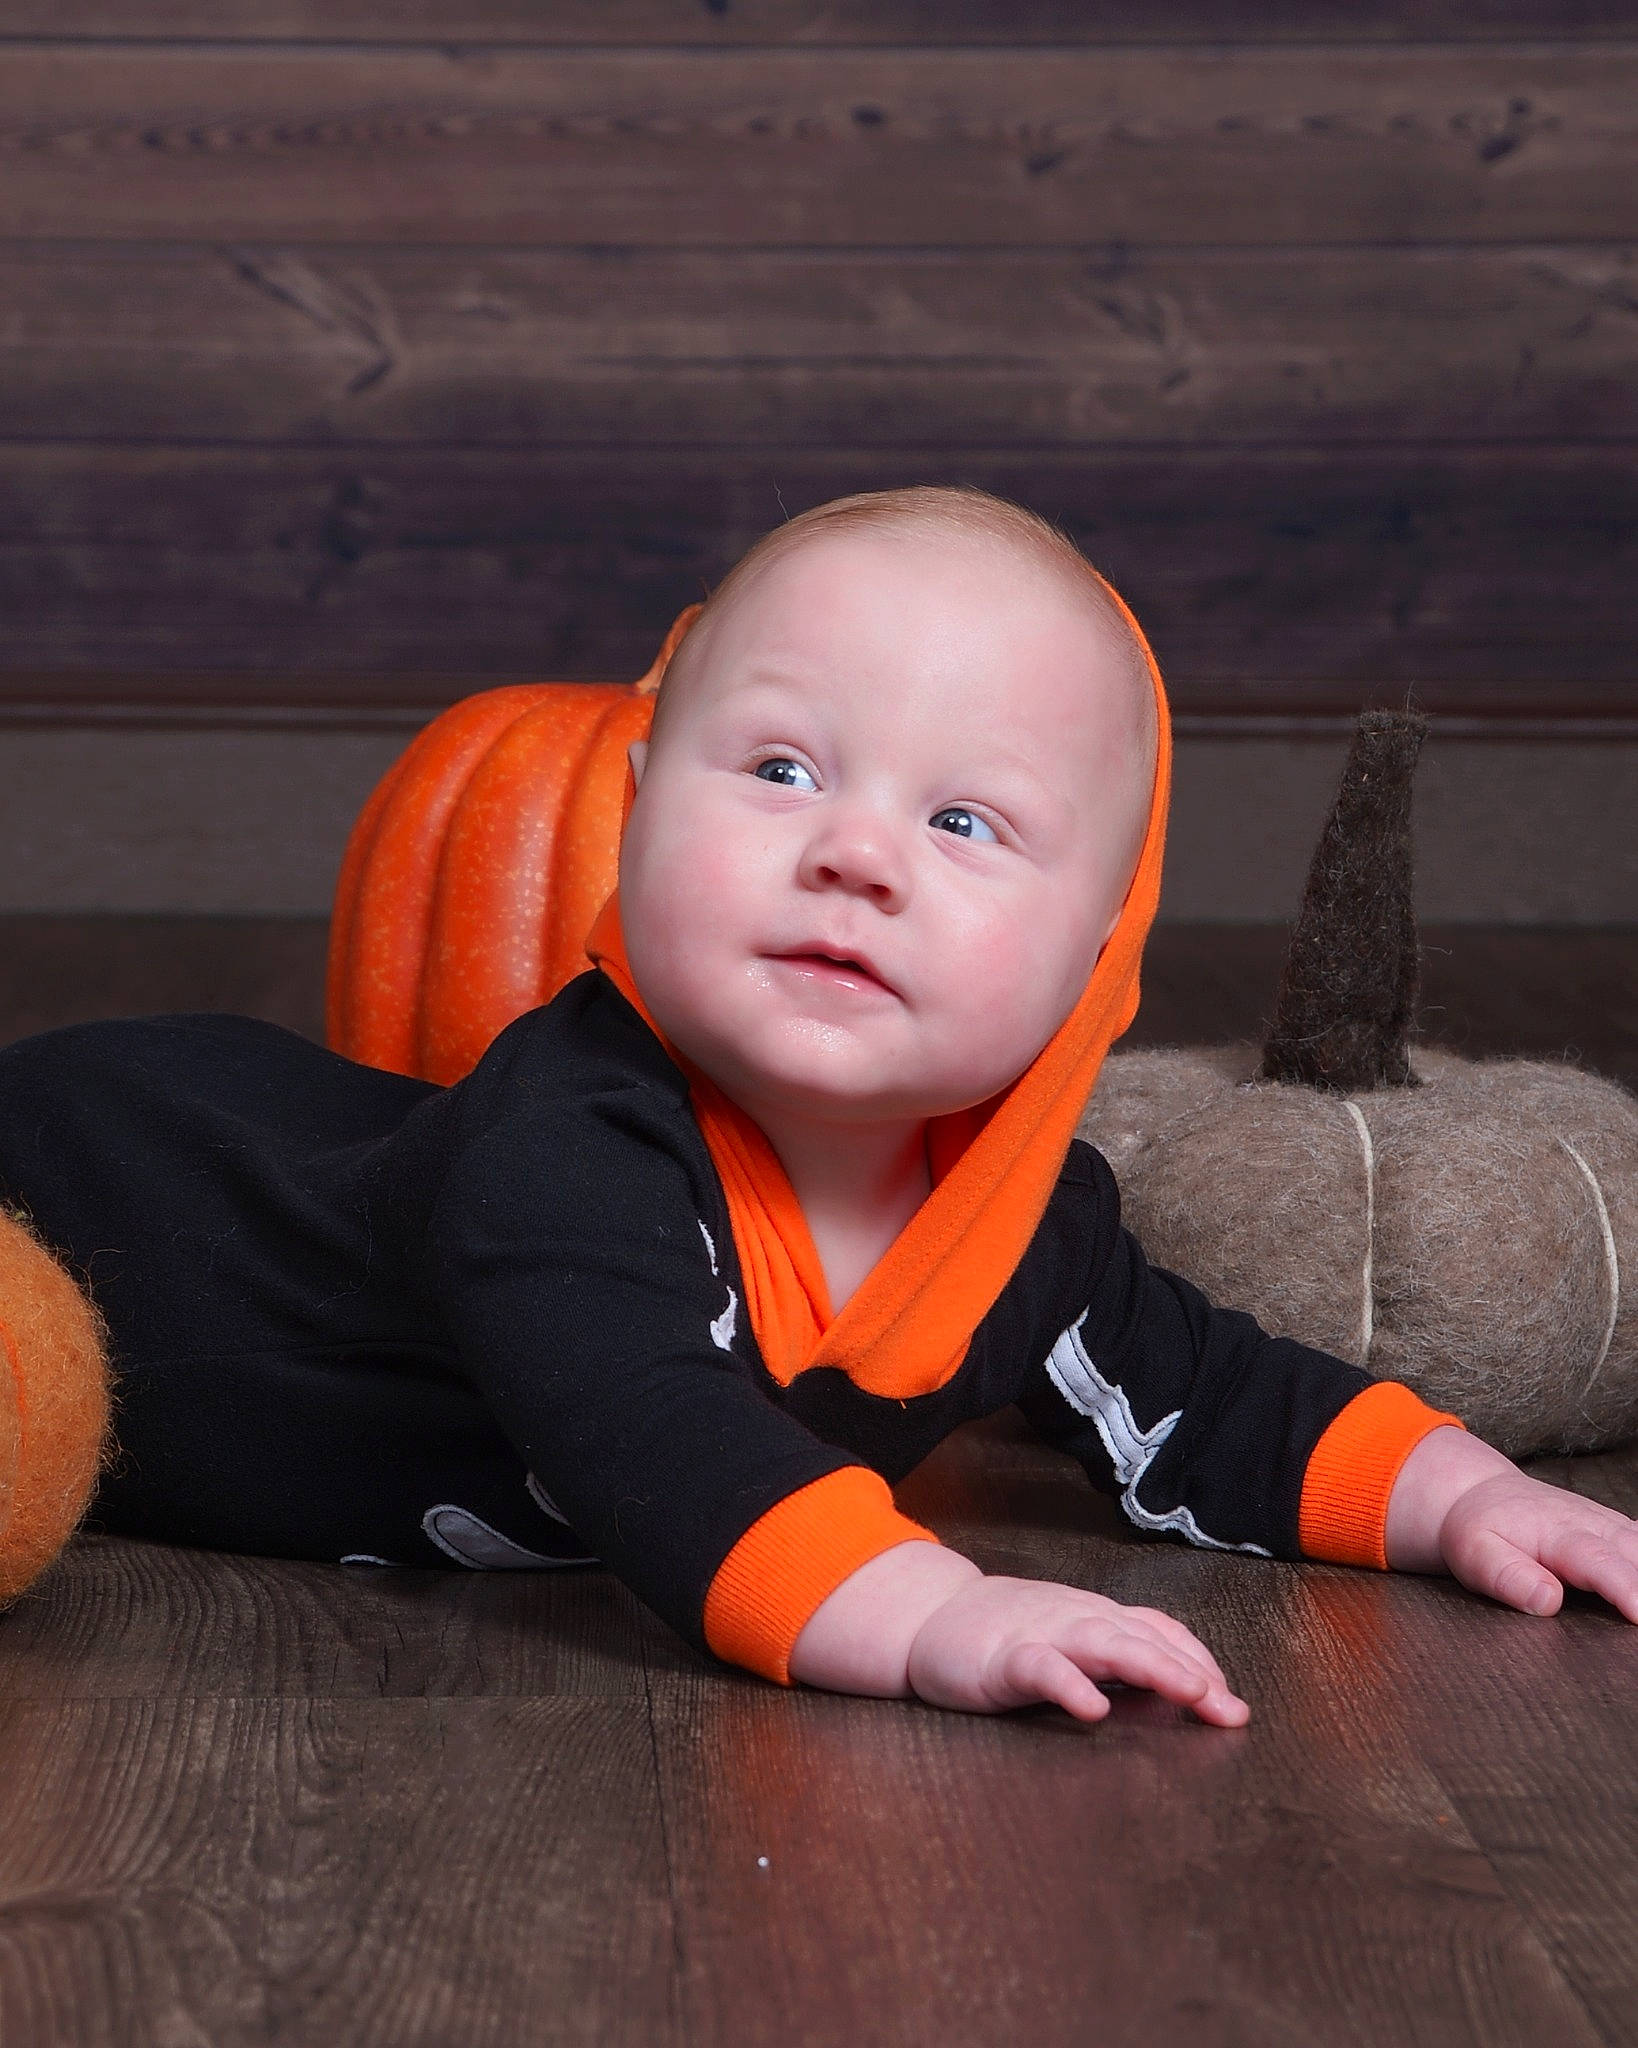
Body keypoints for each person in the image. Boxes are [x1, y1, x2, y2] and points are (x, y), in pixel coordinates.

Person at [2, 485, 1635, 1729]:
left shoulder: (1015, 1223)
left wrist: (1462, 1496)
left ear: (1098, 952)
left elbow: (1208, 1397)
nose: (854, 852)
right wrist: (932, 1612)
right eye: (780, 769)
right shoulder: (560, 1153)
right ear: (637, 808)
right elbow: (664, 1438)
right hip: (110, 1174)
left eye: (965, 821)